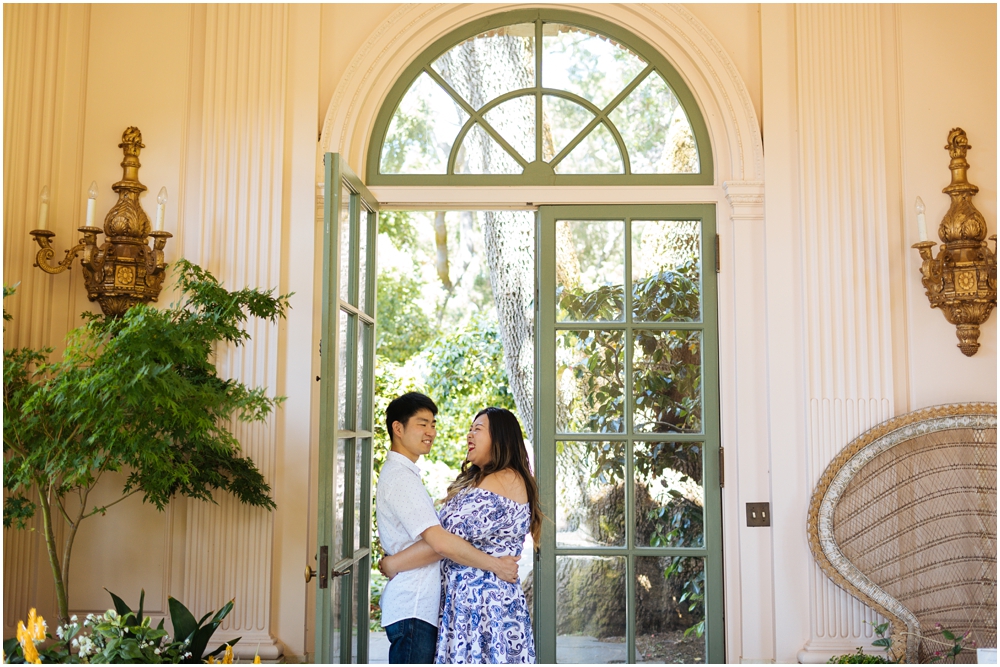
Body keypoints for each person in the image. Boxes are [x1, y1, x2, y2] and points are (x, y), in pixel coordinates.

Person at [380, 407, 541, 664]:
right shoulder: (486, 479)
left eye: (478, 429)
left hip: (484, 607)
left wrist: (392, 563)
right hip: (470, 605)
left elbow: (441, 542)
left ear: (500, 438)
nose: (469, 435)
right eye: (470, 428)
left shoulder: (503, 480)